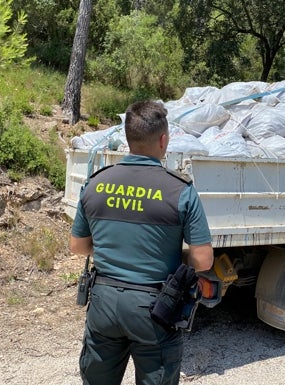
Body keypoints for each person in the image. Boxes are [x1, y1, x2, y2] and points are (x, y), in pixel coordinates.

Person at [69, 100, 214, 385]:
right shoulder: (180, 190)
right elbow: (203, 260)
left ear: (128, 139)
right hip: (154, 309)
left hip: (103, 304)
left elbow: (77, 246)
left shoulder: (96, 183)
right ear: (163, 140)